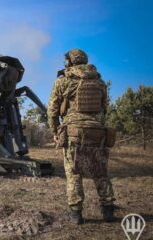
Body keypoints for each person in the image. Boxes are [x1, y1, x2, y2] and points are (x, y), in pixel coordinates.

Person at [48, 49, 115, 224]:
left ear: (68, 63)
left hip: (73, 133)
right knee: (100, 171)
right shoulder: (100, 83)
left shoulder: (62, 81)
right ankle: (108, 210)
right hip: (97, 132)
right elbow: (104, 108)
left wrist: (55, 132)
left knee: (74, 173)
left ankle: (76, 214)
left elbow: (52, 111)